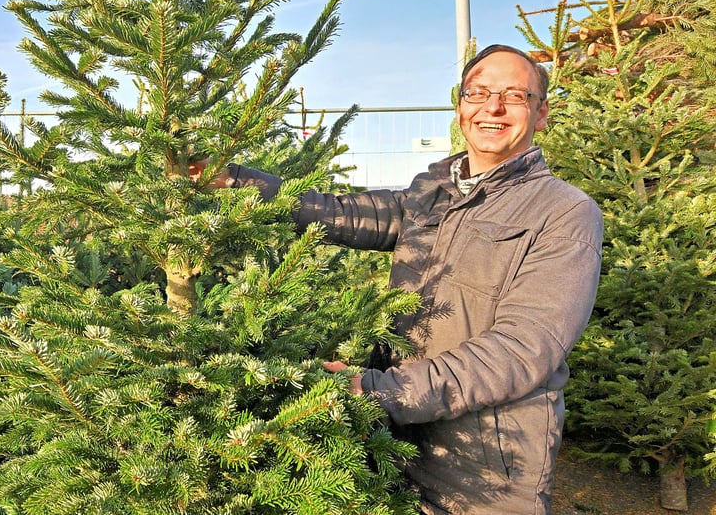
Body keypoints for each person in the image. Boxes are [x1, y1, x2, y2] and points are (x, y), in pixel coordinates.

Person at [194, 44, 603, 514]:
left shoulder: (565, 212)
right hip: (397, 440)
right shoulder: (431, 194)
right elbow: (335, 212)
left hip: (485, 461)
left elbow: (522, 349)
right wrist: (231, 180)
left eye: (514, 95)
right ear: (461, 105)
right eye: (479, 92)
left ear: (541, 112)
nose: (493, 106)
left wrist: (377, 390)